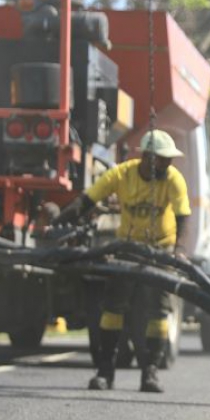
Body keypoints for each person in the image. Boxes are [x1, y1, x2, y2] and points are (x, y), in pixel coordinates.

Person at [53, 129, 191, 393]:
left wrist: (179, 250)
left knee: (159, 312)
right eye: (163, 159)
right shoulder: (122, 174)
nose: (168, 164)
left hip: (160, 250)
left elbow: (183, 216)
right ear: (147, 158)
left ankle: (150, 373)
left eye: (169, 159)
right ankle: (105, 373)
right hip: (127, 249)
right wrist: (61, 220)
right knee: (113, 309)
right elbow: (87, 200)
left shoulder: (173, 179)